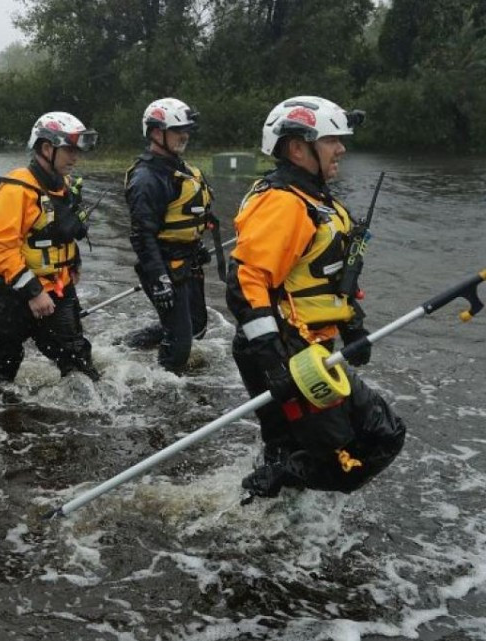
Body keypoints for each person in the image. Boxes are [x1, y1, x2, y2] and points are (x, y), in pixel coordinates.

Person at [226, 96, 406, 500]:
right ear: (297, 147)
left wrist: (351, 323)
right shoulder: (283, 203)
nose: (341, 148)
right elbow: (244, 281)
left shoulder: (316, 201)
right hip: (286, 351)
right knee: (369, 445)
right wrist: (273, 362)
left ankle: (268, 500)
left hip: (309, 347)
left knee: (298, 445)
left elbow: (323, 277)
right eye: (331, 140)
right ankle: (275, 484)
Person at [0, 111, 101, 383]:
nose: (75, 157)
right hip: (14, 294)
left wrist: (74, 262)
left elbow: (59, 232)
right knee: (0, 367)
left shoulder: (64, 186)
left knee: (79, 364)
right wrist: (33, 292)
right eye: (68, 149)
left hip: (57, 289)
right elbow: (0, 249)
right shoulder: (16, 190)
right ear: (46, 148)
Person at [124, 98, 218, 373]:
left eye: (186, 129)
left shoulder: (183, 171)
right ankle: (163, 384)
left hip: (188, 262)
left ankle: (126, 345)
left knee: (197, 326)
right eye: (178, 130)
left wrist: (195, 244)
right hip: (163, 267)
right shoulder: (146, 179)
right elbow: (142, 236)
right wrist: (159, 278)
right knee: (180, 345)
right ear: (155, 132)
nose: (184, 135)